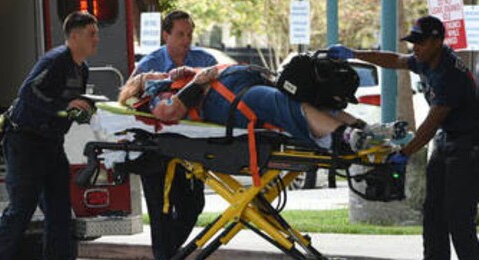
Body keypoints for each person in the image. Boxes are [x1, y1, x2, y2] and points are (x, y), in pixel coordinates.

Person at [328, 15, 479, 260]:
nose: (416, 48)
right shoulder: (424, 60)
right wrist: (354, 54)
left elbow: (430, 123)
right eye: (414, 42)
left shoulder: (451, 75)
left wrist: (405, 152)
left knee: (459, 212)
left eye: (421, 42)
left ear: (437, 40)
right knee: (433, 210)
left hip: (469, 145)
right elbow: (394, 60)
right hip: (448, 140)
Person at [0, 11, 99, 260]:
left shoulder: (82, 69)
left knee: (60, 214)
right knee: (20, 212)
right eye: (91, 34)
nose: (96, 39)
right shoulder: (53, 61)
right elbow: (28, 94)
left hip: (51, 144)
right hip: (24, 142)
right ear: (73, 37)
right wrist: (63, 106)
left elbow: (69, 107)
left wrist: (83, 109)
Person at [132, 10, 216, 260]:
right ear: (165, 35)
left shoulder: (203, 62)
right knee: (161, 210)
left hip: (192, 146)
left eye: (189, 34)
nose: (186, 40)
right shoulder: (150, 64)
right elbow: (132, 100)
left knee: (193, 206)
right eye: (180, 34)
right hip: (157, 146)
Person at [119, 64, 372, 153]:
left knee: (303, 97)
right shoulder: (153, 94)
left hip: (233, 85)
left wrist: (187, 76)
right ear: (139, 87)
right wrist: (196, 82)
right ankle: (346, 136)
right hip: (225, 100)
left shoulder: (172, 80)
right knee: (281, 103)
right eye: (146, 74)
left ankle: (364, 130)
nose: (152, 73)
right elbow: (169, 113)